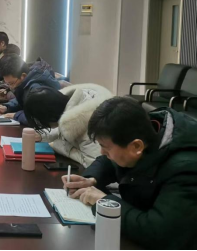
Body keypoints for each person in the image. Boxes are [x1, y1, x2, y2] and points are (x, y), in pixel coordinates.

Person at [63, 98, 197, 250]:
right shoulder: (142, 129)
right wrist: (91, 179)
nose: (102, 152)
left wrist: (105, 202)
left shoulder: (186, 170)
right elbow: (108, 162)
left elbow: (159, 233)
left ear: (136, 147)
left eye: (105, 147)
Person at [23, 84, 112, 167]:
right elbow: (64, 126)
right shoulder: (72, 107)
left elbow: (93, 164)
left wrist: (59, 146)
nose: (42, 126)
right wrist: (42, 136)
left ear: (48, 117)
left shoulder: (89, 126)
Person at [0, 54, 61, 126]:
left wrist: (16, 115)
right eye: (8, 84)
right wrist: (7, 107)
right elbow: (24, 100)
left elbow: (38, 119)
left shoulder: (36, 89)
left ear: (23, 76)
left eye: (11, 83)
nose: (10, 88)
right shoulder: (27, 81)